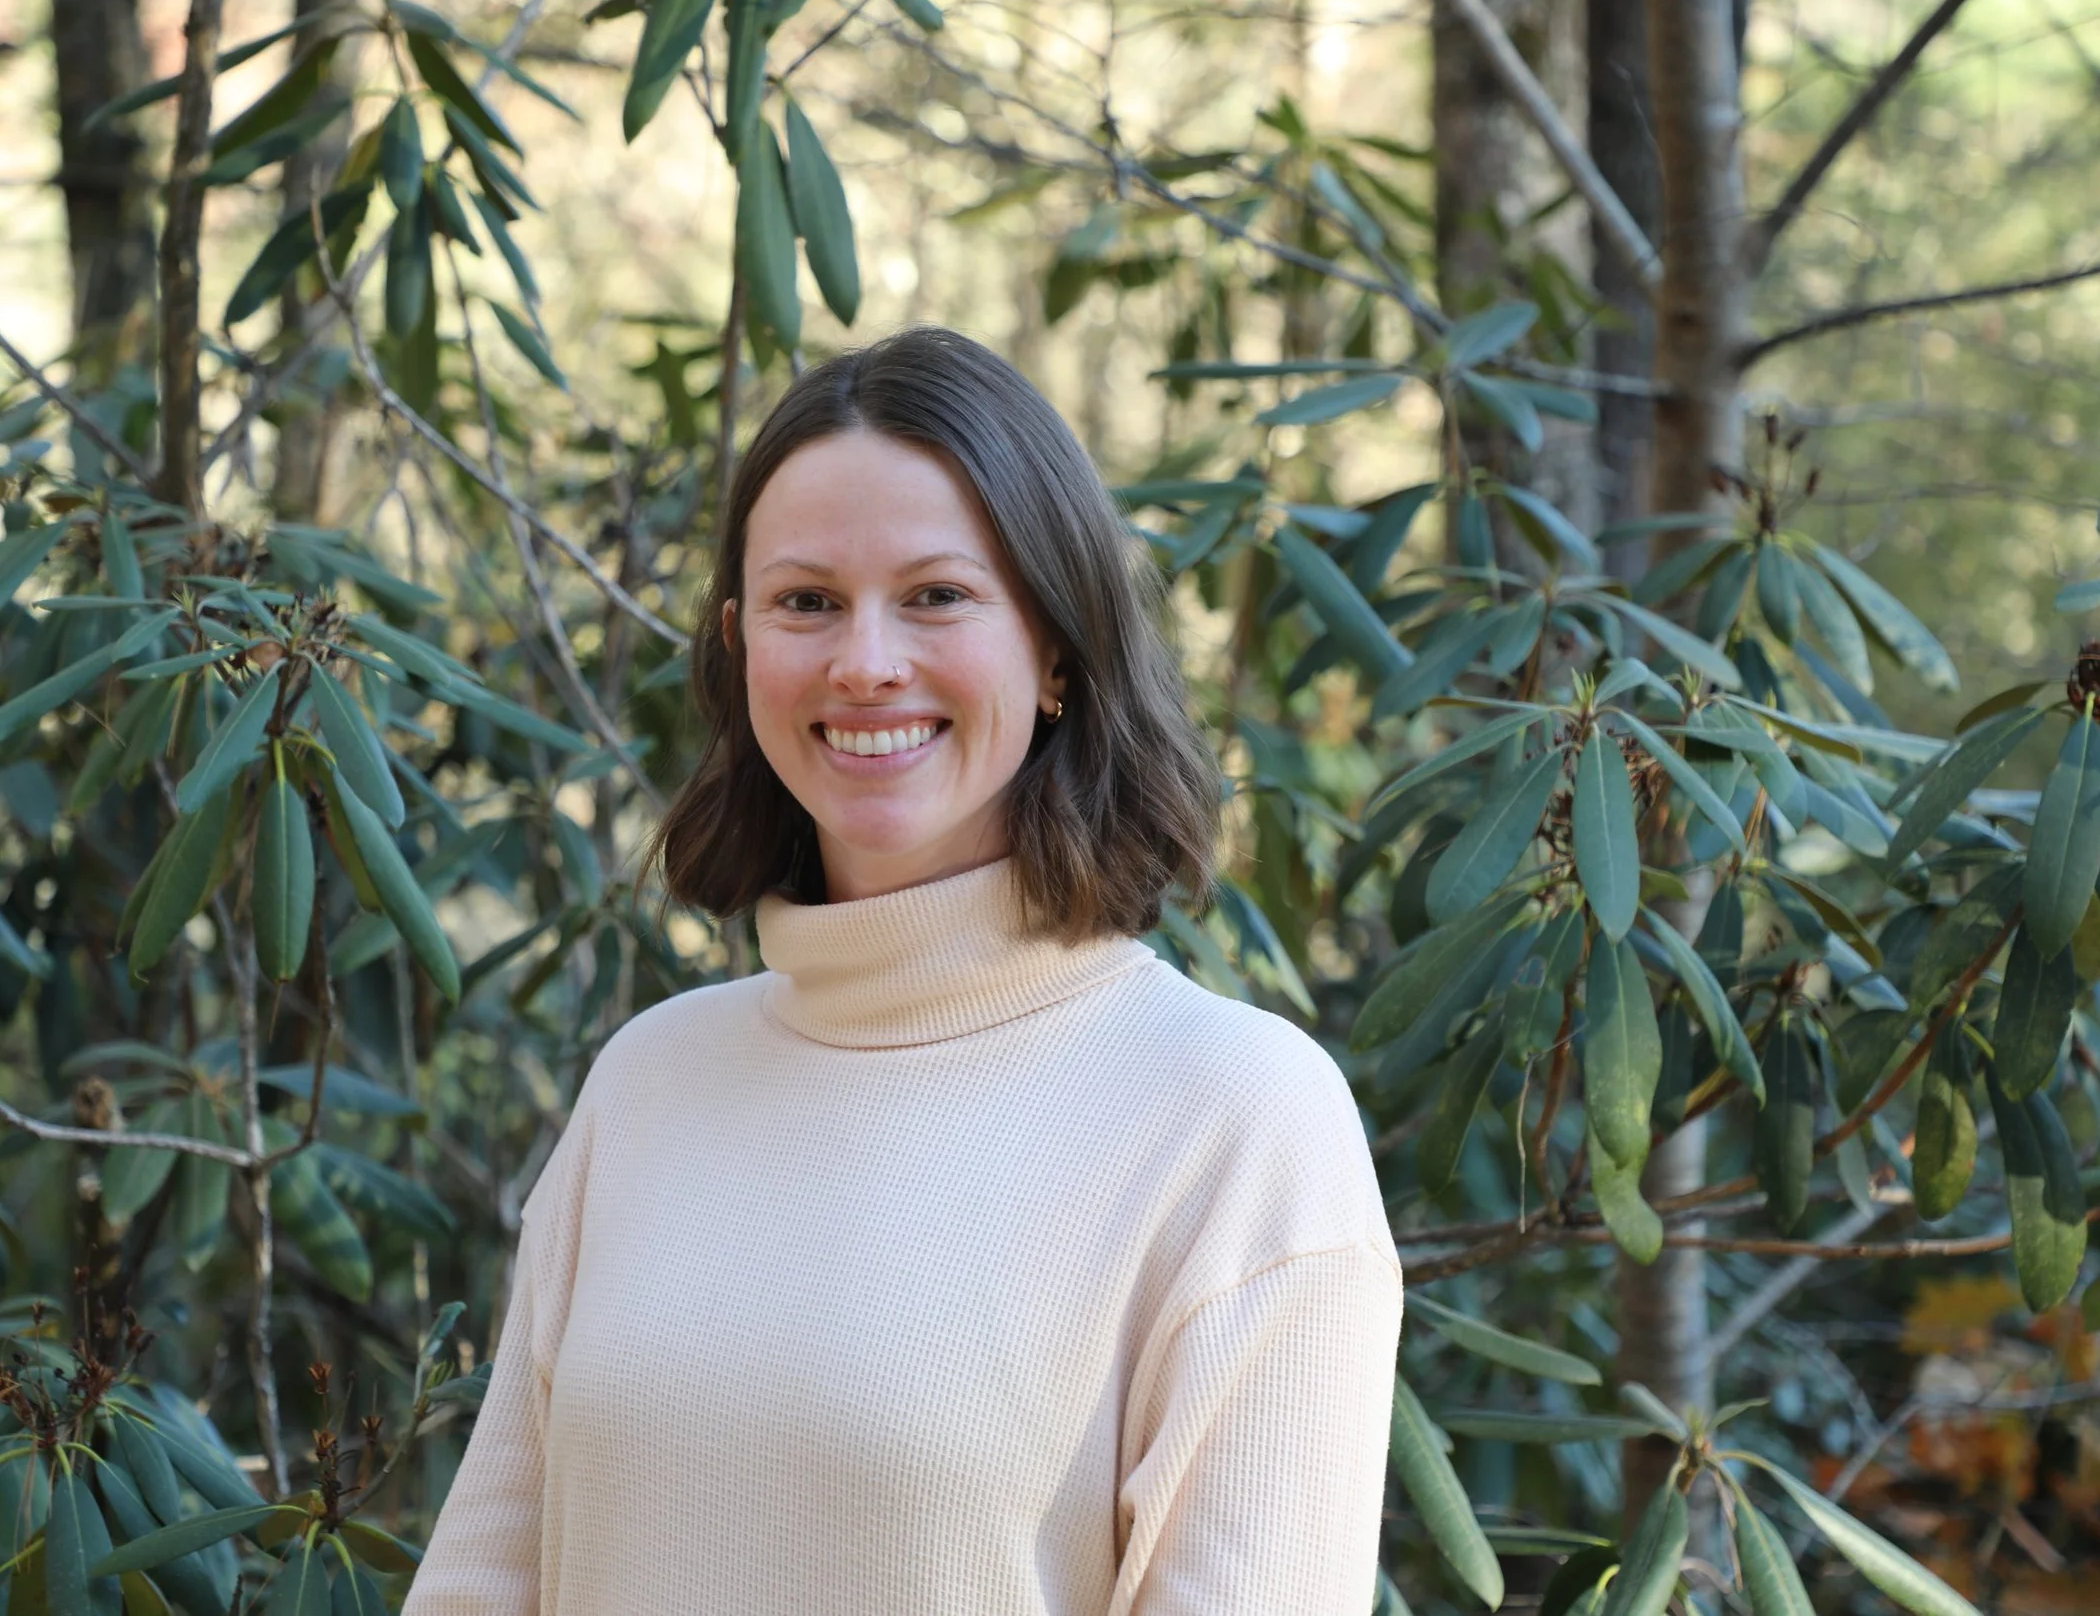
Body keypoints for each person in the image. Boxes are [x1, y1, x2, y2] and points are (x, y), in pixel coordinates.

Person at [404, 325, 1401, 1615]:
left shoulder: (1239, 1120)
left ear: (1056, 646)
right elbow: (482, 1585)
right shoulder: (650, 1080)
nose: (865, 662)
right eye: (806, 601)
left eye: (937, 596)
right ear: (740, 645)